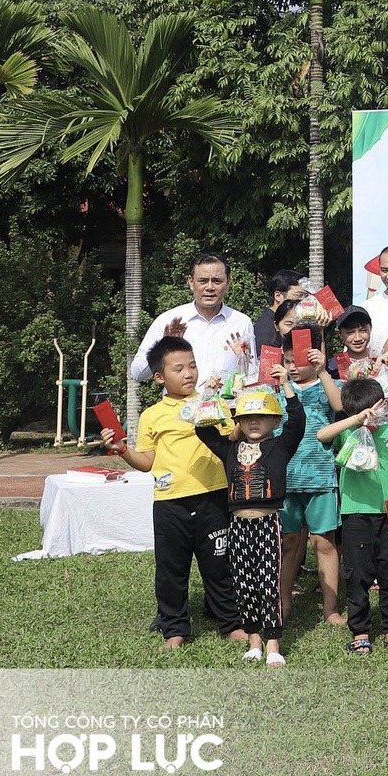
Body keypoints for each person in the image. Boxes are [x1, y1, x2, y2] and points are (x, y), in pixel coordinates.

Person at [109, 337, 243, 648]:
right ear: (159, 377)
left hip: (214, 495)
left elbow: (231, 441)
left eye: (193, 366)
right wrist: (122, 451)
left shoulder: (213, 403)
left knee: (219, 565)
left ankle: (231, 622)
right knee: (171, 569)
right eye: (179, 368)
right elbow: (146, 463)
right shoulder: (152, 416)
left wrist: (244, 413)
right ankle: (175, 628)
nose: (189, 374)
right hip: (170, 502)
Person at [191, 380, 305, 666]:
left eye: (261, 417)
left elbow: (298, 422)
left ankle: (273, 644)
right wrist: (210, 394)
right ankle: (254, 640)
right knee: (244, 582)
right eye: (246, 418)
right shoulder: (229, 449)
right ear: (238, 421)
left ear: (275, 420)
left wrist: (286, 387)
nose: (254, 422)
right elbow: (202, 429)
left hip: (268, 523)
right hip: (238, 525)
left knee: (269, 583)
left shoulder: (280, 446)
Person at [317, 377, 388, 653]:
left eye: (375, 408)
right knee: (358, 573)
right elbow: (322, 435)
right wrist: (355, 420)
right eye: (364, 410)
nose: (372, 415)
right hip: (355, 512)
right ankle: (360, 631)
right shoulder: (348, 432)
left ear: (383, 404)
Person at [279, 317, 345, 627]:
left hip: (320, 476)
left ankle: (331, 609)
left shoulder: (329, 383)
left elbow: (341, 405)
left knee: (323, 542)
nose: (293, 367)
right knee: (290, 542)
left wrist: (322, 371)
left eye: (299, 360)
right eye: (288, 360)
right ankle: (283, 603)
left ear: (318, 352)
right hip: (286, 478)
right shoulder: (279, 389)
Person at [128, 254, 253, 387]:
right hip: (180, 406)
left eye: (217, 281)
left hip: (227, 405)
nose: (210, 287)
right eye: (203, 281)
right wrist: (164, 346)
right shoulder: (168, 321)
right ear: (191, 282)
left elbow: (251, 374)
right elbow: (137, 374)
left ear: (228, 283)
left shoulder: (242, 322)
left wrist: (243, 360)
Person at [253, 268, 308, 353]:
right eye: (299, 295)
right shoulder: (266, 331)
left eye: (305, 296)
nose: (303, 300)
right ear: (278, 296)